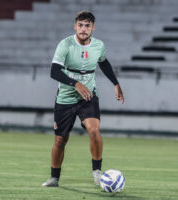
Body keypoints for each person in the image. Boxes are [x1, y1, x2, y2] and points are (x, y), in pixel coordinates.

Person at [42, 11, 124, 187]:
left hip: (88, 96)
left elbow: (103, 62)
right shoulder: (65, 44)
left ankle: (97, 172)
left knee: (94, 130)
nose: (83, 29)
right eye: (80, 25)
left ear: (93, 28)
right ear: (75, 26)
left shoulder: (98, 46)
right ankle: (54, 178)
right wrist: (76, 84)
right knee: (60, 140)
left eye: (87, 26)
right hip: (65, 97)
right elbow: (54, 71)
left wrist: (116, 84)